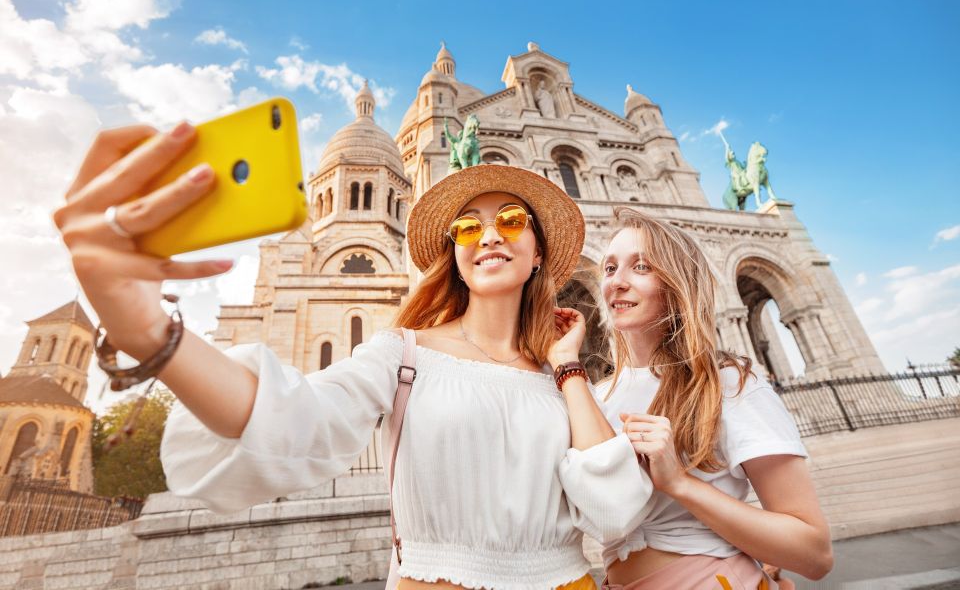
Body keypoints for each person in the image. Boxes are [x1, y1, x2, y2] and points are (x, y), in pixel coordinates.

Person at [52, 122, 653, 589]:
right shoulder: (403, 353)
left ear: (540, 252)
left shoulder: (563, 376)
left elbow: (616, 509)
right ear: (454, 253)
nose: (489, 234)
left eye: (512, 220)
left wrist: (568, 364)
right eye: (468, 227)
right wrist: (154, 334)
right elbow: (292, 418)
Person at [592, 207, 832, 589]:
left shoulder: (727, 383)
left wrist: (681, 484)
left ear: (678, 285)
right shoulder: (596, 395)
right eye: (609, 268)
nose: (616, 282)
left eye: (640, 267)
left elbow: (815, 553)